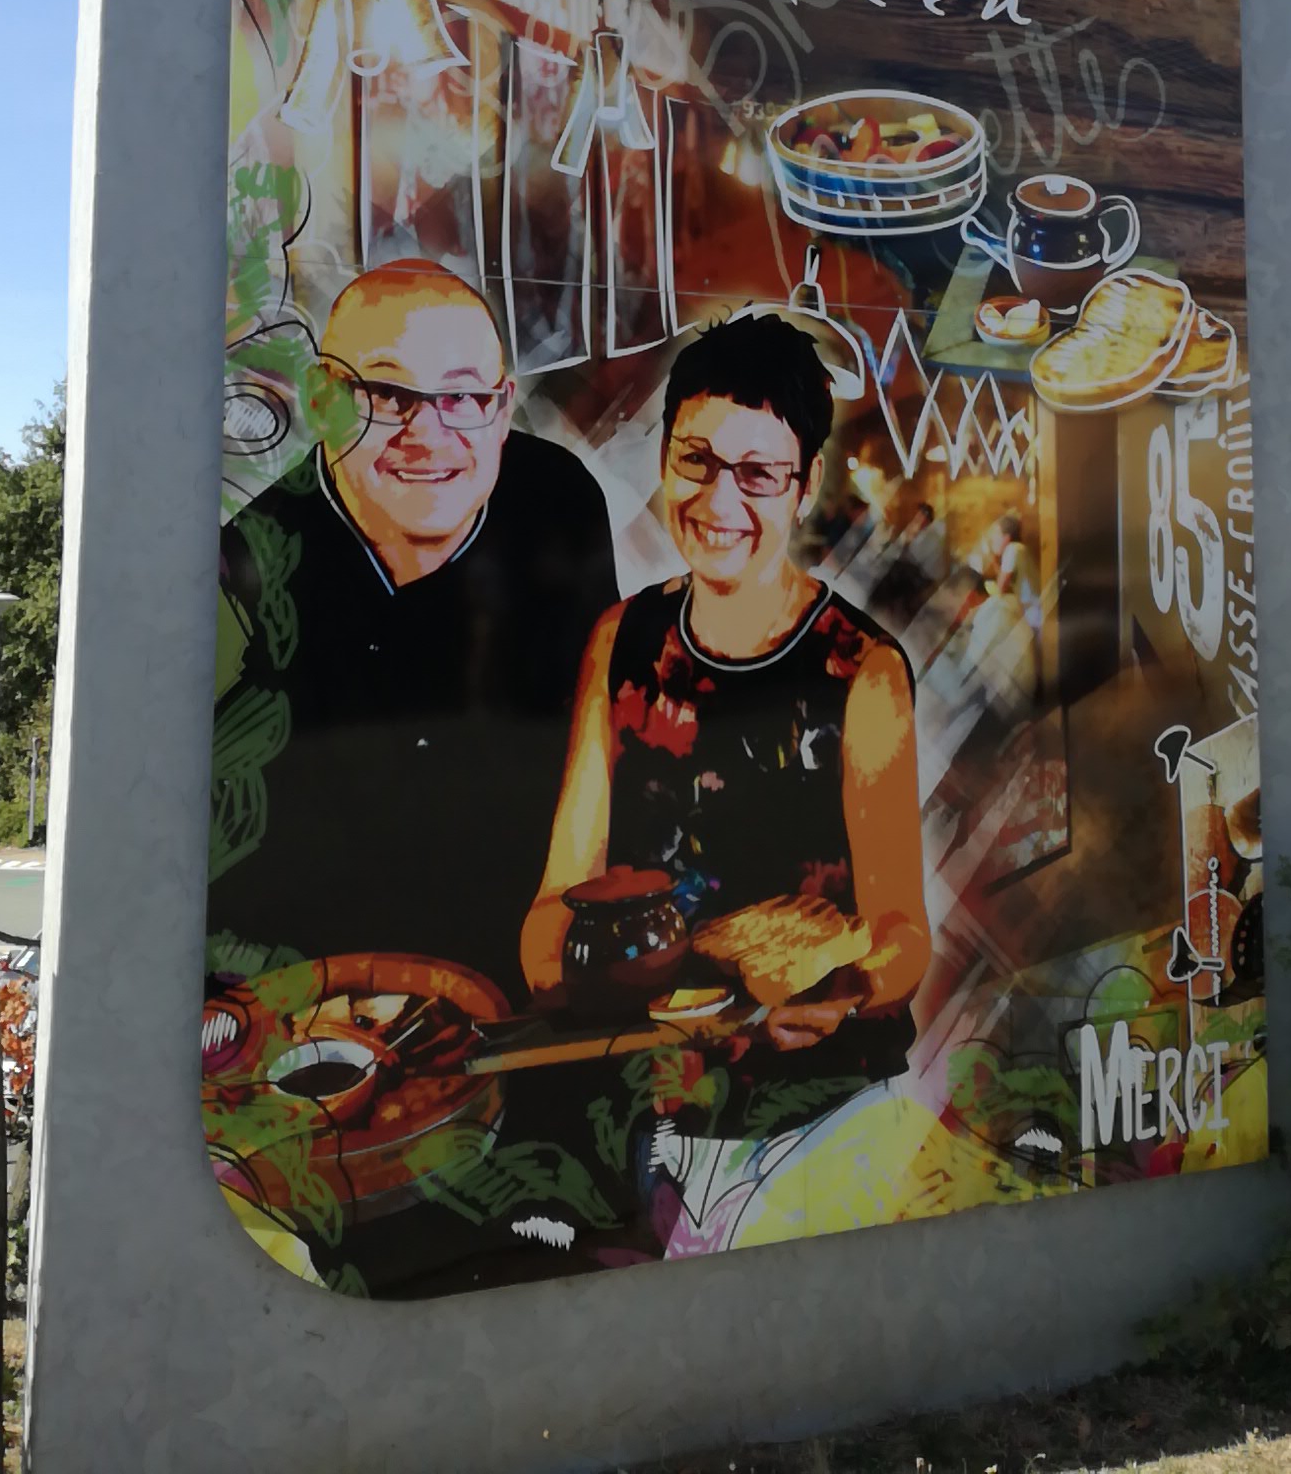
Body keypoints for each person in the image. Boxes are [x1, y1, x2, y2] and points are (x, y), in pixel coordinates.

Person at [209, 258, 618, 1010]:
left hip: (526, 986)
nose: (426, 434)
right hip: (313, 1004)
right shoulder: (249, 567)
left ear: (502, 408)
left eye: (462, 396)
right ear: (324, 401)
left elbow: (600, 752)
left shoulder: (558, 503)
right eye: (388, 395)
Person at [522, 314, 928, 1062]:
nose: (718, 501)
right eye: (696, 460)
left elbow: (901, 933)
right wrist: (568, 982)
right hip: (651, 1055)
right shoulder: (620, 639)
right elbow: (558, 899)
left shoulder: (863, 670)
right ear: (664, 458)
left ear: (805, 487)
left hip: (813, 1068)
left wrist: (845, 994)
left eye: (758, 474)